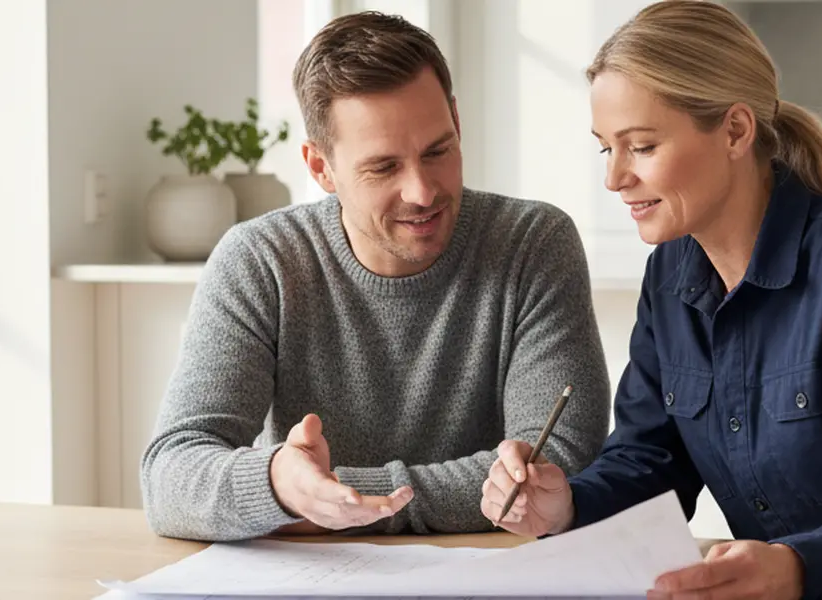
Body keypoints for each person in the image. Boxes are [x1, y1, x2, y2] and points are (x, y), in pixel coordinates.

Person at [480, 2, 822, 599]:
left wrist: (797, 566)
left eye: (641, 146)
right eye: (606, 148)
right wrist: (566, 505)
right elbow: (650, 461)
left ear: (734, 130)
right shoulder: (670, 275)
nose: (614, 178)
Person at [140, 11, 611, 541]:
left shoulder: (532, 243)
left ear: (457, 121)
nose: (422, 192)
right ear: (320, 167)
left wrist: (335, 496)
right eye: (383, 167)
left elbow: (557, 466)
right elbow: (169, 477)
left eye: (438, 151)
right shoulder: (261, 260)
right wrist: (277, 484)